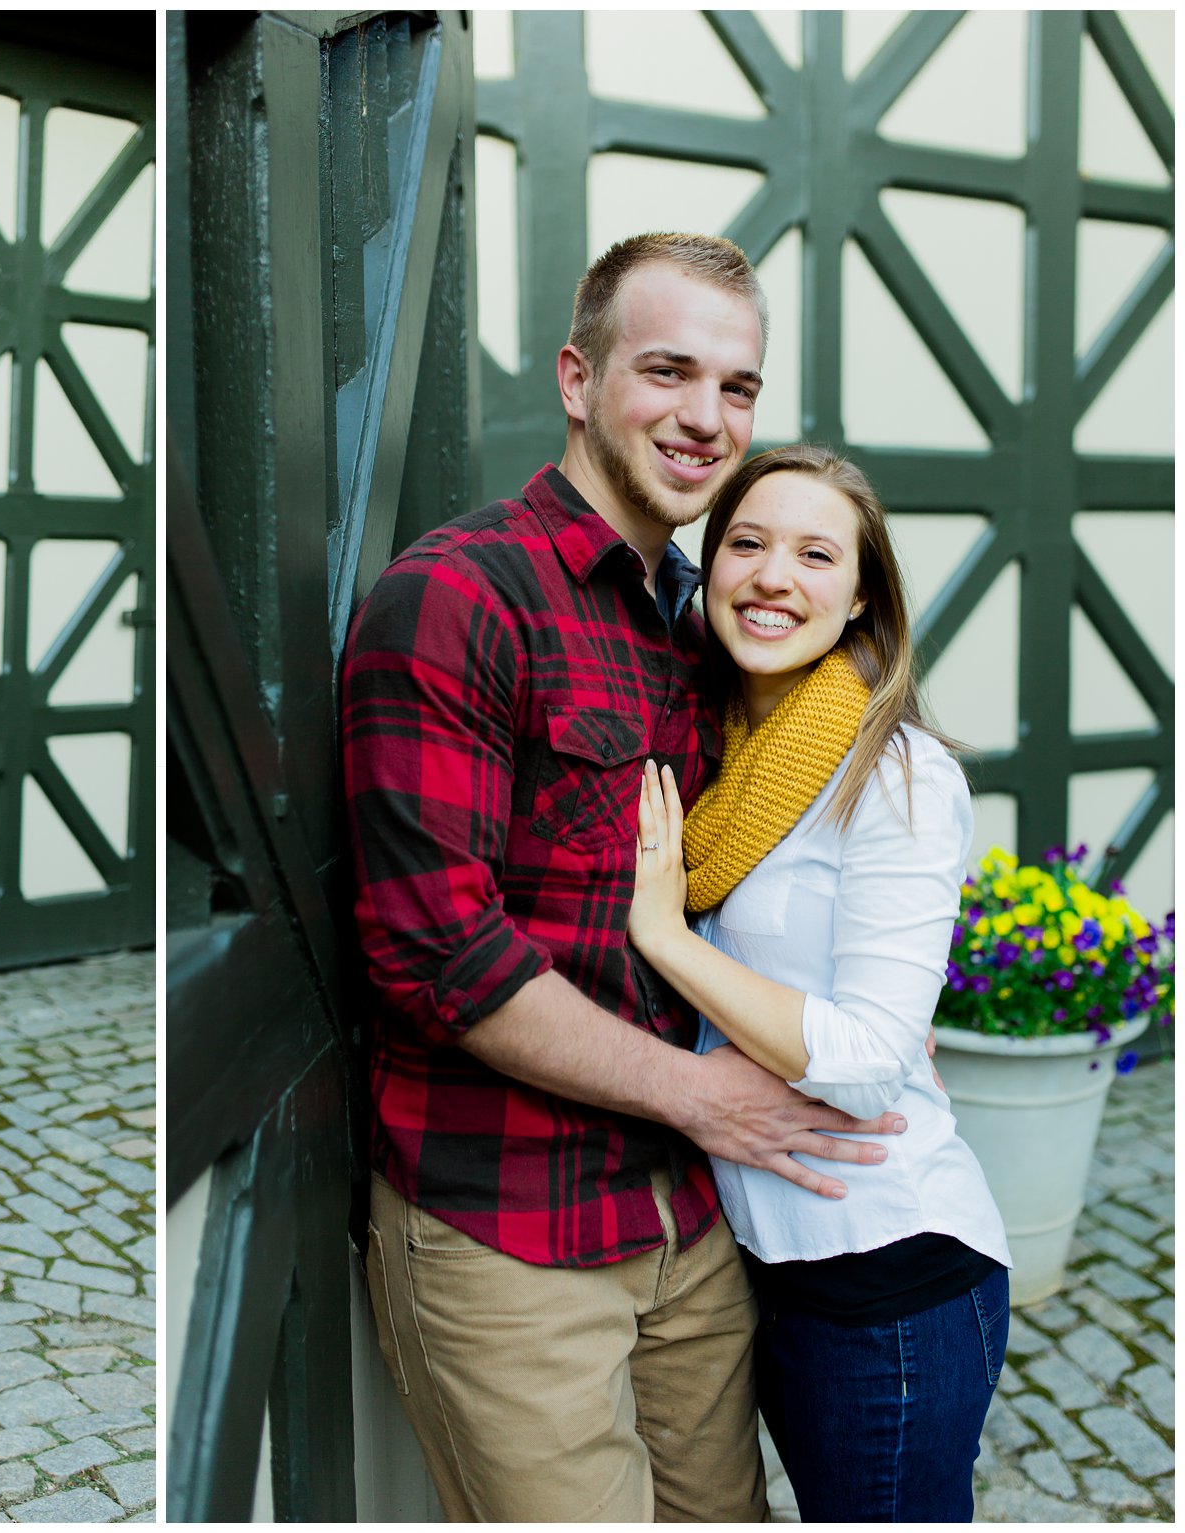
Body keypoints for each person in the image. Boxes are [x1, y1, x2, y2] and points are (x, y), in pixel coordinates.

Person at [342, 233, 907, 1522]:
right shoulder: (456, 596)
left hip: (690, 1222)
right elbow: (441, 958)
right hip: (508, 1224)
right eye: (667, 371)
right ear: (576, 377)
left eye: (738, 386)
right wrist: (705, 1100)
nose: (706, 419)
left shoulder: (701, 617)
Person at [626, 444, 1011, 1521]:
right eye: (744, 543)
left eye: (812, 553)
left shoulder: (893, 775)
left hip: (888, 1286)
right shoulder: (726, 760)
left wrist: (665, 935)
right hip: (774, 1274)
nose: (771, 575)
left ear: (855, 600)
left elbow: (863, 1065)